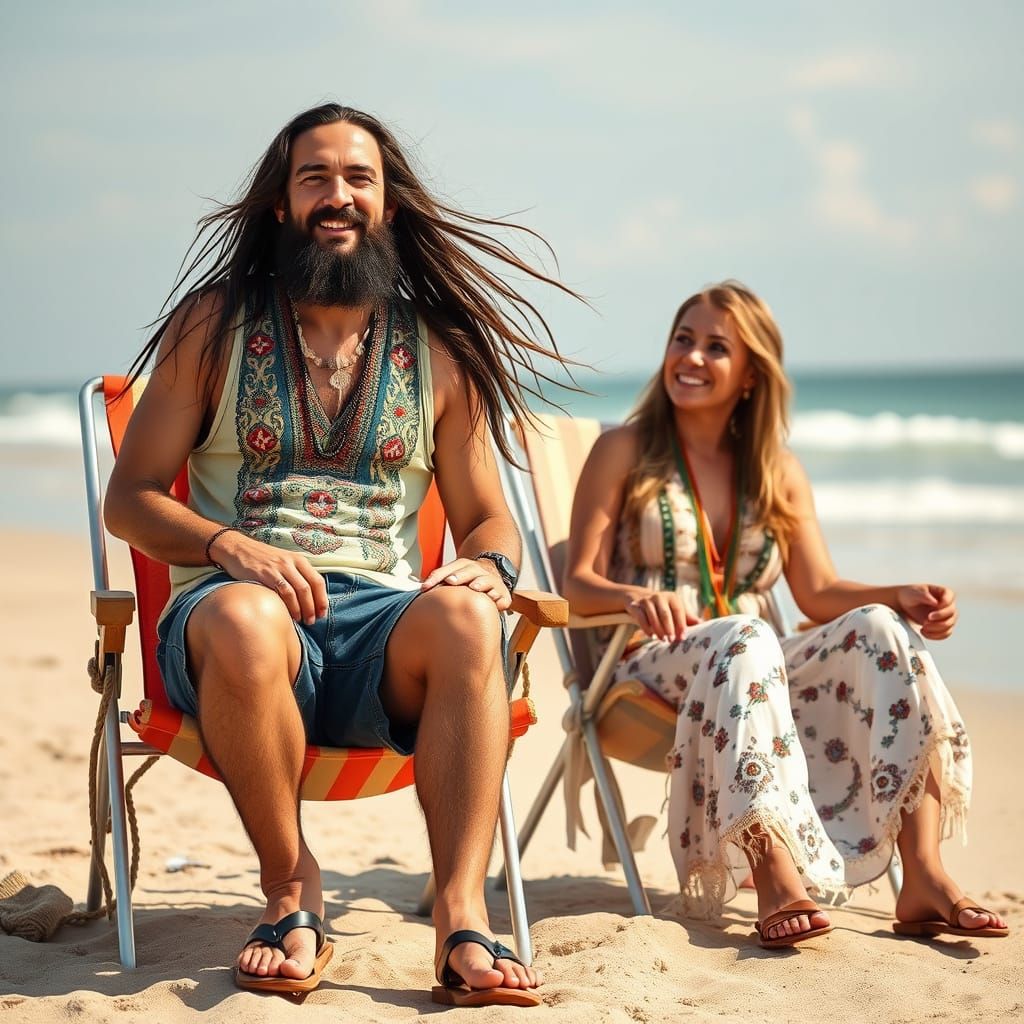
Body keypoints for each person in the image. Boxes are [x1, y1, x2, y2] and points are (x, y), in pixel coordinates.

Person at [105, 102, 582, 1005]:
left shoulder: (438, 351)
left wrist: (491, 566)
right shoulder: (212, 328)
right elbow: (128, 502)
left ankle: (461, 923)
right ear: (281, 205)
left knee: (473, 622)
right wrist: (226, 546)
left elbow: (489, 517)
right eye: (314, 177)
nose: (337, 195)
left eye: (357, 178)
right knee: (246, 617)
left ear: (388, 204)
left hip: (378, 631)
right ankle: (290, 891)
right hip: (231, 627)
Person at [563, 281, 1008, 948]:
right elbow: (575, 587)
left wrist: (897, 594)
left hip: (756, 673)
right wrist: (632, 596)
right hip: (650, 664)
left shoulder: (776, 469)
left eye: (717, 347)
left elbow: (818, 591)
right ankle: (771, 870)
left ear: (750, 375)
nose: (692, 356)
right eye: (683, 339)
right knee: (746, 636)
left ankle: (923, 873)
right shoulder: (623, 450)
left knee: (881, 631)